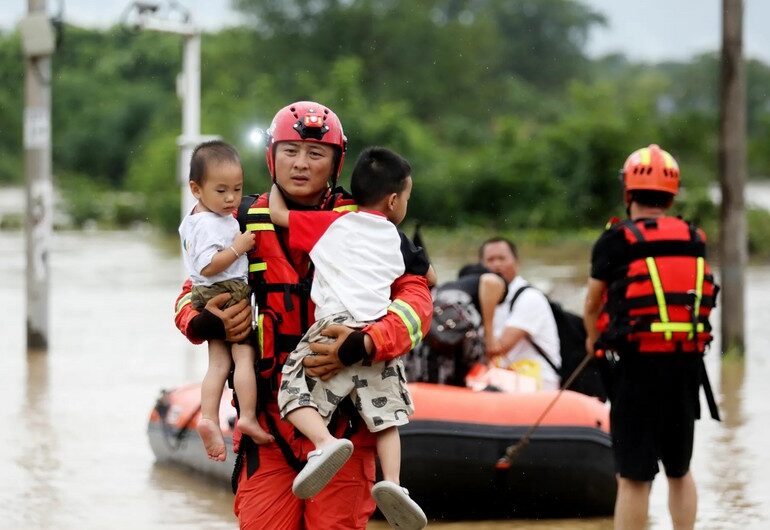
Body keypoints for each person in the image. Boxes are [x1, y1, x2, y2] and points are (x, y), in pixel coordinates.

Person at [173, 101, 432, 530]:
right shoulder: (233, 220)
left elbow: (416, 301)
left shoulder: (368, 223)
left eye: (315, 154)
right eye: (290, 151)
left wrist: (365, 343)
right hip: (270, 424)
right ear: (271, 156)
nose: (301, 164)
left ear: (336, 163)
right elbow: (189, 292)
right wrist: (203, 322)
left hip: (347, 424)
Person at [269, 146, 434, 528]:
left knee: (292, 392)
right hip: (376, 329)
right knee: (388, 418)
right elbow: (430, 279)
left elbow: (278, 215)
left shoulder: (329, 224)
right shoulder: (399, 241)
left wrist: (275, 185)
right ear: (393, 201)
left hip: (332, 326)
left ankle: (323, 443)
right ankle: (392, 483)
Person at [582, 144, 719, 530]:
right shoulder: (694, 237)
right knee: (679, 469)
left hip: (635, 367)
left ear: (628, 193)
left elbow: (592, 305)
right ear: (671, 194)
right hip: (686, 365)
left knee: (633, 476)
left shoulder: (614, 241)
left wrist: (594, 342)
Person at [178, 140, 273, 462]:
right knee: (243, 357)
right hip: (228, 290)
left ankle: (207, 417)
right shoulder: (208, 223)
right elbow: (207, 265)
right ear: (196, 188)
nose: (231, 199)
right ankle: (246, 416)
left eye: (237, 189)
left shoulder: (197, 217)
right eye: (221, 191)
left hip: (207, 295)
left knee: (218, 364)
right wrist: (239, 247)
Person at [479, 237, 561, 391]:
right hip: (505, 377)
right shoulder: (480, 297)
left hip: (537, 381)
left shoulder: (530, 298)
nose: (496, 265)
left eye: (502, 258)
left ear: (516, 262)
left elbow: (496, 349)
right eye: (490, 260)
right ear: (481, 266)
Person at [406, 263, 507, 386]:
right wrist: (489, 337)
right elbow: (490, 281)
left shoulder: (445, 287)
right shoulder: (485, 280)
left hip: (422, 338)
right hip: (447, 335)